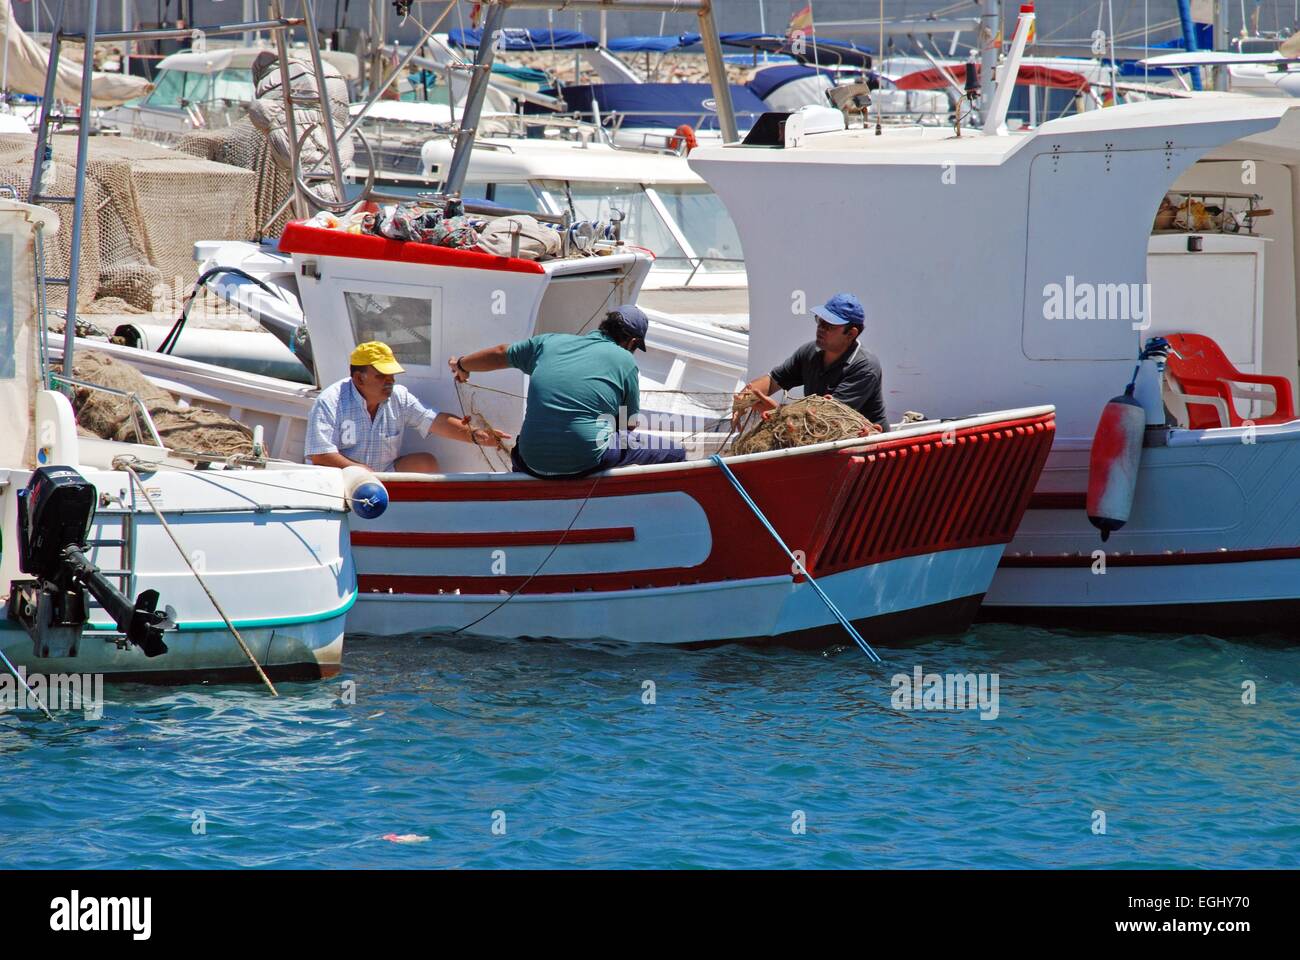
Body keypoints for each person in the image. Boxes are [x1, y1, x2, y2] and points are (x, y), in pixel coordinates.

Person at [449, 305, 686, 478]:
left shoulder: (548, 343)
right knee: (675, 453)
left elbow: (501, 353)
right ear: (632, 342)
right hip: (585, 462)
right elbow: (628, 425)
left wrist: (461, 365)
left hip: (530, 462)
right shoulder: (625, 360)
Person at [306, 341, 506, 473]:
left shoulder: (398, 396)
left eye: (391, 374)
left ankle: (421, 522)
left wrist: (476, 435)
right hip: (342, 479)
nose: (390, 381)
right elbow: (320, 455)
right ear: (359, 378)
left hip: (382, 475)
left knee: (426, 463)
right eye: (381, 376)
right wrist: (360, 472)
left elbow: (435, 421)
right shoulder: (330, 401)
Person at [733, 293, 888, 434]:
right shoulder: (809, 352)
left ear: (851, 333)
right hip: (823, 435)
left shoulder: (865, 367)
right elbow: (773, 380)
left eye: (829, 326)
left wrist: (776, 411)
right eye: (820, 321)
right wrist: (743, 401)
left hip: (865, 441)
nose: (820, 328)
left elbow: (826, 418)